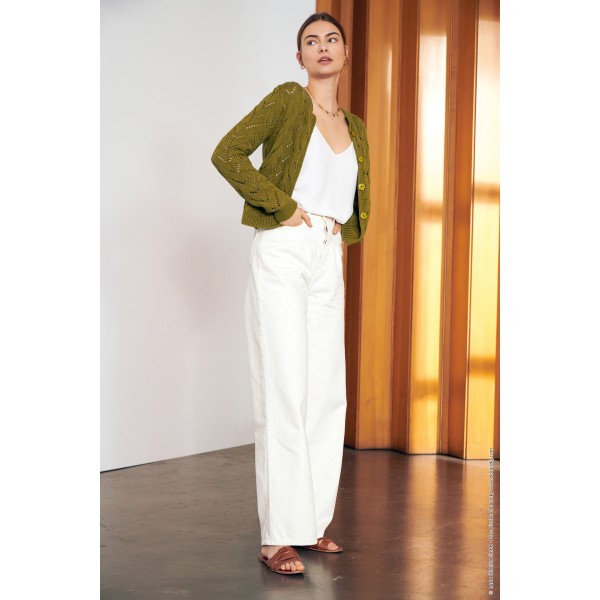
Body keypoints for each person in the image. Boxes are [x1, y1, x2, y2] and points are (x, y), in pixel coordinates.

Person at [211, 12, 370, 576]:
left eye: (332, 39)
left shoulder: (354, 125)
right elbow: (227, 152)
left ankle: (311, 524)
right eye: (311, 41)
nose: (323, 47)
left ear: (345, 53)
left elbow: (351, 195)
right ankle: (277, 535)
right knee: (284, 389)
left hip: (328, 253)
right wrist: (280, 208)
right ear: (298, 56)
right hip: (284, 248)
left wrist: (338, 237)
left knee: (326, 394)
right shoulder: (287, 100)